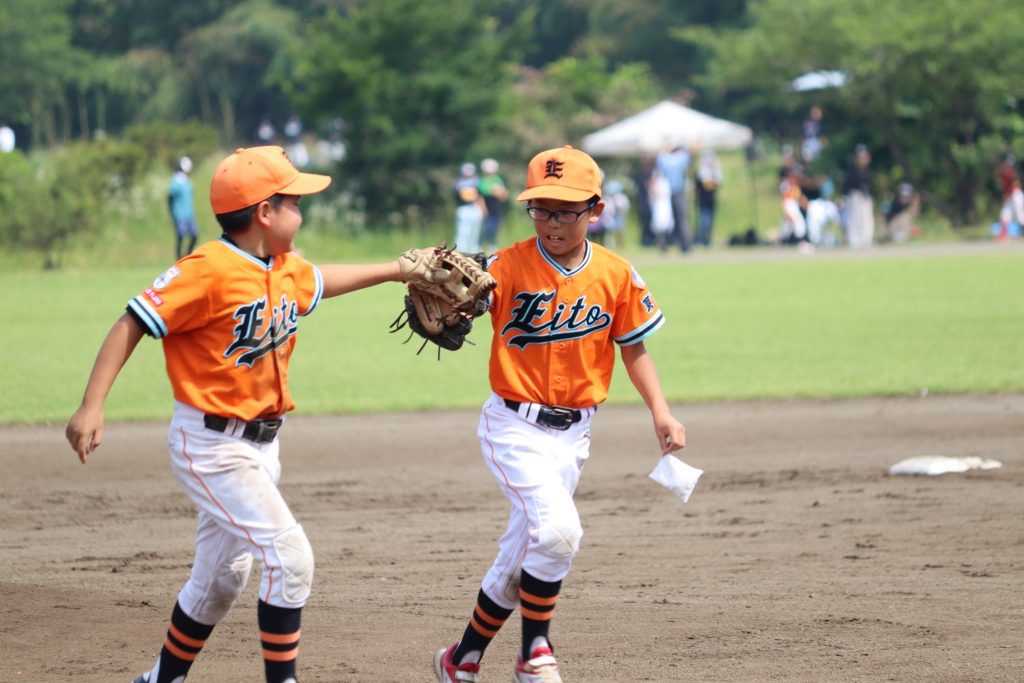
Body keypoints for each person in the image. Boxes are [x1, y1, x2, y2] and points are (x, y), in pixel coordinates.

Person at [65, 145, 418, 683]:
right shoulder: (206, 270)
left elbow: (323, 280)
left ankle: (160, 679)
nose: (302, 213)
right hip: (212, 446)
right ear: (265, 212)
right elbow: (133, 320)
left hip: (261, 448)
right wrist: (92, 406)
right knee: (290, 558)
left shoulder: (282, 267)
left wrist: (398, 270)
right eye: (295, 203)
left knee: (221, 581)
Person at [432, 145, 686, 683]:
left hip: (574, 437)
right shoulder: (505, 266)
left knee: (522, 554)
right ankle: (535, 653)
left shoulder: (616, 273)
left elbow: (634, 347)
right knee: (559, 533)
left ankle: (461, 659)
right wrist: (450, 304)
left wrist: (661, 413)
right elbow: (464, 302)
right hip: (512, 425)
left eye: (566, 211)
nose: (551, 222)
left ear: (595, 210)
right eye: (541, 209)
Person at [655, 142, 693, 252]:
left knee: (665, 220)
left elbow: (660, 158)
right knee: (681, 220)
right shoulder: (680, 158)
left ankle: (664, 243)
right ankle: (685, 245)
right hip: (677, 193)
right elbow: (691, 152)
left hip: (665, 194)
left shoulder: (664, 159)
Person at [842, 144, 875, 248]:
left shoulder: (867, 171)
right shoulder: (852, 170)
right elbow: (847, 186)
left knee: (866, 219)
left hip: (865, 198)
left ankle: (866, 240)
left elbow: (870, 186)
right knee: (854, 219)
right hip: (855, 197)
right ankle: (854, 241)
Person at [168, 156, 200, 259]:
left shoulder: (187, 181)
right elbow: (170, 198)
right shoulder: (176, 180)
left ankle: (187, 255)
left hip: (189, 214)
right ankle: (178, 259)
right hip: (179, 214)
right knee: (181, 236)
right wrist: (171, 214)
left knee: (194, 235)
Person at [454, 162, 486, 253]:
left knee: (475, 232)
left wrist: (483, 208)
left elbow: (480, 197)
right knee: (463, 232)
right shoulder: (459, 183)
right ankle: (461, 251)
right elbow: (464, 197)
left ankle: (473, 251)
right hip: (463, 209)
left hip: (475, 208)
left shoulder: (477, 182)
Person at [479, 158, 509, 252]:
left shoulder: (498, 180)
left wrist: (498, 192)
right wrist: (495, 191)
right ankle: (480, 246)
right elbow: (483, 192)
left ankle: (492, 246)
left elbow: (504, 195)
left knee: (494, 229)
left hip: (496, 208)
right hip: (485, 209)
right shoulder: (481, 180)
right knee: (485, 229)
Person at [694, 149, 722, 247]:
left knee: (710, 221)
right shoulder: (703, 171)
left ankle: (707, 239)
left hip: (711, 200)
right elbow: (705, 182)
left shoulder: (714, 171)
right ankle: (701, 239)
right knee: (704, 221)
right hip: (703, 201)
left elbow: (718, 181)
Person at [995, 154, 1024, 241]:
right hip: (1010, 197)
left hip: (1015, 196)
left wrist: (1008, 194)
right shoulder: (1004, 173)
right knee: (1004, 216)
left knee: (1019, 217)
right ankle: (1004, 236)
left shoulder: (1010, 173)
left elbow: (1015, 185)